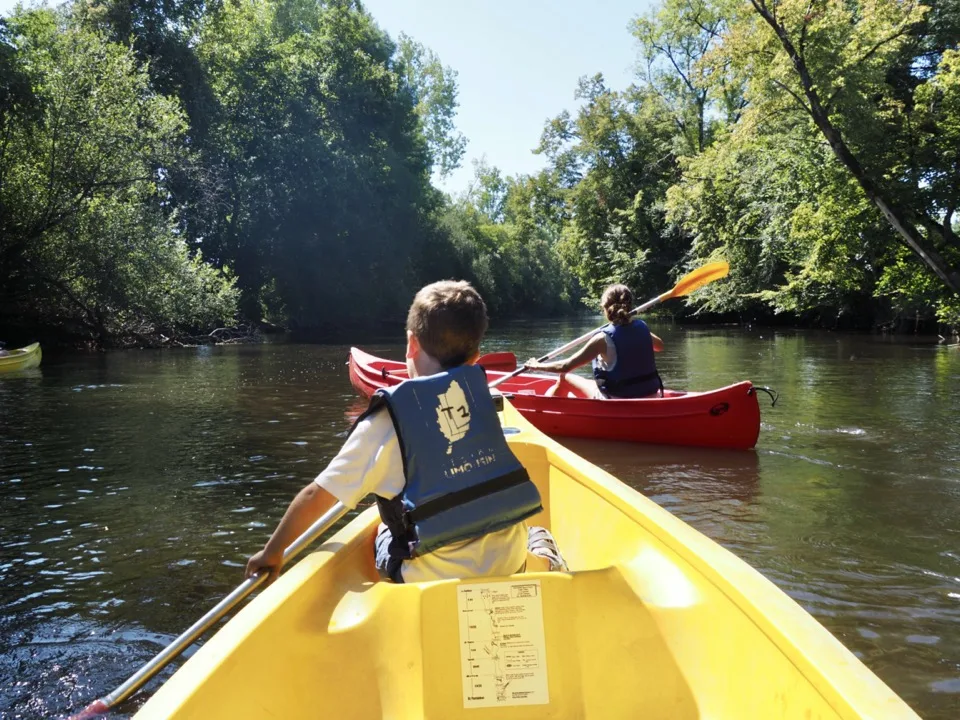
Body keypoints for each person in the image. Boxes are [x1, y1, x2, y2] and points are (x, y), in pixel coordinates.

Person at [246, 280, 561, 586]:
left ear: (411, 344)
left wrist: (273, 552)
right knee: (525, 530)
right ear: (476, 356)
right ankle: (543, 553)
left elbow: (316, 496)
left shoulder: (388, 419)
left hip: (432, 581)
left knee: (382, 527)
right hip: (509, 563)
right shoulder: (481, 400)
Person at [525, 283, 664, 399]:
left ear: (605, 308)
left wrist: (537, 365)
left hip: (618, 400)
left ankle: (547, 414)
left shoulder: (602, 339)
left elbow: (566, 366)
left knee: (564, 377)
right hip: (651, 395)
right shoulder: (643, 328)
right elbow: (659, 347)